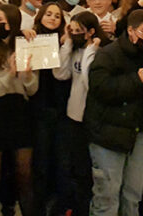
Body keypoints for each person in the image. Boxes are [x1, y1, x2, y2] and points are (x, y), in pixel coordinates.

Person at [84, 10, 143, 216]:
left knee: (133, 195)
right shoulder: (108, 54)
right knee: (107, 196)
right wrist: (136, 79)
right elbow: (100, 88)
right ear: (131, 31)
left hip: (135, 132)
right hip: (107, 134)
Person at [0, 4, 38, 216]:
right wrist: (9, 74)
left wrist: (26, 74)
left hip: (19, 111)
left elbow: (32, 89)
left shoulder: (24, 45)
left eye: (3, 20)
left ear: (13, 22)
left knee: (25, 174)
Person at [53, 11, 109, 216]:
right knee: (76, 168)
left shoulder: (100, 52)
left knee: (92, 170)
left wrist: (90, 51)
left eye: (79, 31)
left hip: (93, 118)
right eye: (72, 30)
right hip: (74, 115)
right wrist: (67, 44)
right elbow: (60, 74)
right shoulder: (76, 50)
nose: (75, 33)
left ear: (91, 32)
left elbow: (89, 82)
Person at [30, 2, 70, 216]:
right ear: (41, 16)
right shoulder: (32, 38)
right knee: (41, 162)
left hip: (62, 108)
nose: (53, 18)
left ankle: (60, 208)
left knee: (62, 162)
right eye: (49, 14)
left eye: (57, 16)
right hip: (40, 107)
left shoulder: (67, 41)